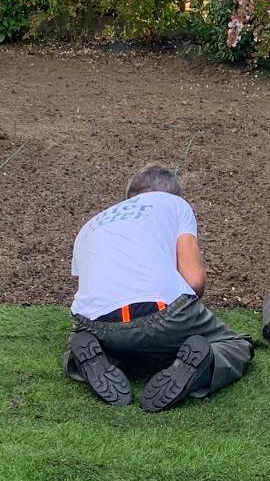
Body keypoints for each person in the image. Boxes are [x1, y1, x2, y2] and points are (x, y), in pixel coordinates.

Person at [66, 165, 253, 411]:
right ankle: (203, 367)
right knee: (236, 345)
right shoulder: (175, 205)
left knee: (104, 338)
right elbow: (194, 281)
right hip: (163, 315)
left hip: (93, 324)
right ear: (173, 193)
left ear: (131, 195)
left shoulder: (91, 224)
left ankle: (86, 358)